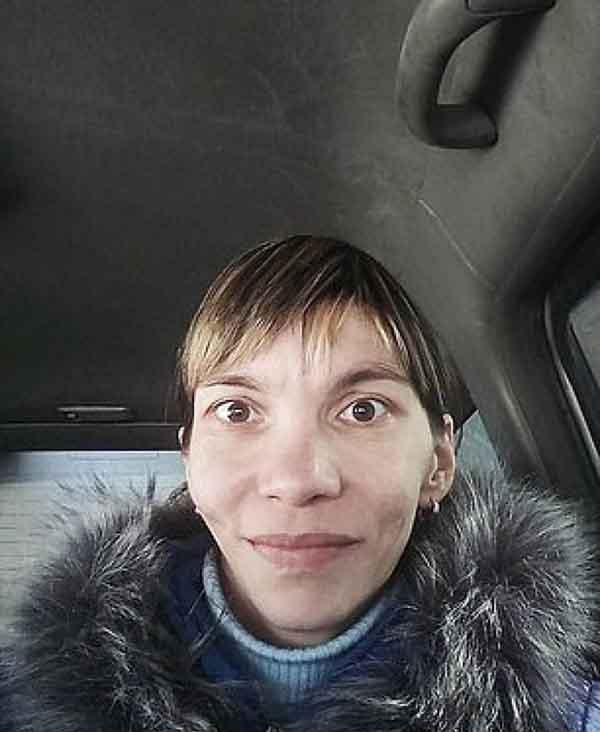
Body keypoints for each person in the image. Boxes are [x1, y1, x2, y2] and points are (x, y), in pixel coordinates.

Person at [2, 235, 600, 731]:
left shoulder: (567, 710)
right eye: (237, 411)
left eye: (362, 410)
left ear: (439, 462)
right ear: (189, 460)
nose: (295, 482)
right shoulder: (28, 702)